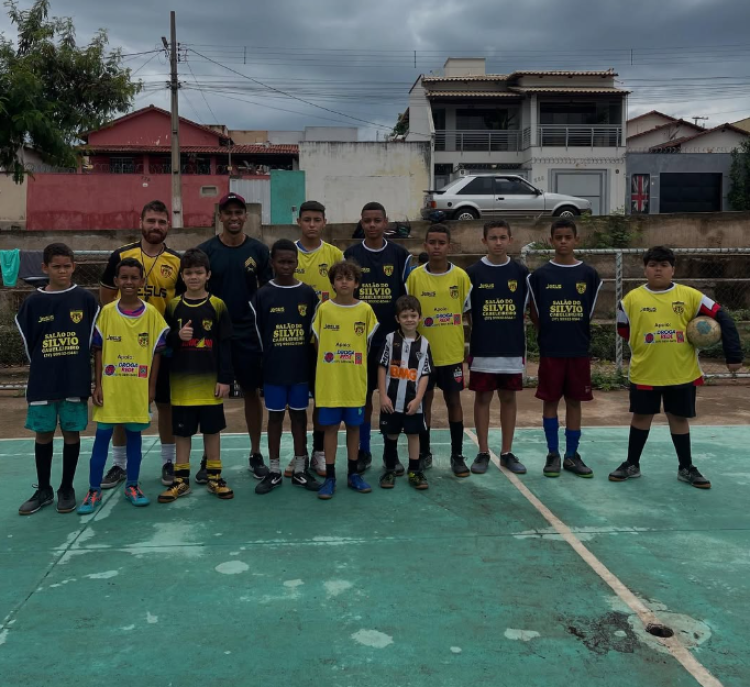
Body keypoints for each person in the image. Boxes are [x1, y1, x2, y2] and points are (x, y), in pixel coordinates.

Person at [610, 246, 743, 489]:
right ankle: (632, 463)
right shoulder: (630, 300)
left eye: (663, 265)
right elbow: (624, 330)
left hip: (681, 372)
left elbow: (722, 316)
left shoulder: (690, 296)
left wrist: (733, 353)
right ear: (645, 269)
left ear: (673, 269)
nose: (658, 269)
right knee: (641, 417)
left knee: (678, 418)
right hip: (645, 371)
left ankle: (686, 467)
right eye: (652, 265)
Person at [99, 200, 181, 489]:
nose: (156, 226)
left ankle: (169, 461)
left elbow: (181, 305)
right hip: (126, 347)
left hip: (163, 345)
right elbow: (106, 298)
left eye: (161, 221)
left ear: (167, 225)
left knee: (165, 404)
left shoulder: (176, 261)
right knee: (122, 405)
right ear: (141, 222)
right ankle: (119, 464)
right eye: (151, 221)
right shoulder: (121, 256)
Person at [78, 258, 169, 513]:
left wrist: (151, 387)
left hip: (136, 390)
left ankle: (132, 485)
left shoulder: (151, 315)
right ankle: (93, 490)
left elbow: (157, 353)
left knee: (134, 439)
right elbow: (98, 350)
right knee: (101, 439)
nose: (129, 282)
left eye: (134, 278)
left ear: (142, 282)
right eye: (124, 278)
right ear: (116, 281)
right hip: (110, 389)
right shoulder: (107, 312)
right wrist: (98, 384)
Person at [15, 243, 99, 515]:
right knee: (44, 434)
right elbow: (30, 345)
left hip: (74, 379)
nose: (62, 271)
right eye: (56, 266)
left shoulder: (86, 299)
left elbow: (91, 342)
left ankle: (66, 487)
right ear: (44, 268)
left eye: (66, 266)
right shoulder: (33, 302)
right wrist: (43, 367)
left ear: (74, 266)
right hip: (43, 381)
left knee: (71, 433)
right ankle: (43, 489)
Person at [198, 193, 273, 481]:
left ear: (245, 216)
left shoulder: (259, 251)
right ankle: (209, 458)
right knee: (211, 395)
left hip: (248, 334)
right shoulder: (206, 251)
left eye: (238, 212)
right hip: (214, 334)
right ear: (220, 216)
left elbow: (267, 293)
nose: (233, 217)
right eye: (227, 212)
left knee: (252, 393)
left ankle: (255, 453)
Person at [527, 218, 602, 479]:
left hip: (578, 349)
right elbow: (534, 311)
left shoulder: (589, 275)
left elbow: (588, 313)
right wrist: (547, 333)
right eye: (558, 237)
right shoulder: (540, 276)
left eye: (567, 237)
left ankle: (571, 455)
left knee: (574, 402)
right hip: (551, 350)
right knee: (550, 401)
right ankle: (553, 454)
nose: (562, 242)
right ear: (551, 241)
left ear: (576, 240)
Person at [158, 249, 234, 503]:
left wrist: (225, 379)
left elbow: (225, 345)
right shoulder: (173, 306)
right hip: (182, 385)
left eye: (198, 272)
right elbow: (165, 344)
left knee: (212, 431)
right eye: (189, 273)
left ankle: (214, 477)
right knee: (182, 434)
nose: (193, 277)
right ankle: (181, 481)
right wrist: (177, 338)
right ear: (182, 276)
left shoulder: (218, 305)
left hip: (211, 384)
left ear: (208, 275)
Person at [249, 239, 321, 495]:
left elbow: (315, 335)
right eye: (281, 261)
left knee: (300, 416)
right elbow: (258, 337)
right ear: (272, 263)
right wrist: (262, 366)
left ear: (297, 262)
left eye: (291, 261)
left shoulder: (308, 294)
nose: (286, 266)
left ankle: (301, 468)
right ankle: (275, 470)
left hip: (300, 370)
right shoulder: (262, 295)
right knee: (276, 417)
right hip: (274, 370)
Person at [344, 201, 411, 475]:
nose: (372, 225)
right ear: (361, 222)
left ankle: (390, 454)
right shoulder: (350, 255)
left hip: (391, 342)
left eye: (377, 220)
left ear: (386, 222)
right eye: (367, 220)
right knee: (362, 399)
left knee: (391, 399)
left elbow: (406, 301)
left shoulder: (400, 255)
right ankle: (363, 450)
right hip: (360, 341)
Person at [405, 224, 472, 477]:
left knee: (453, 401)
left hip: (452, 353)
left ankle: (457, 454)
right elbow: (407, 315)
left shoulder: (461, 278)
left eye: (441, 243)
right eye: (431, 242)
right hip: (422, 354)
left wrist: (470, 348)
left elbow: (468, 314)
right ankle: (424, 452)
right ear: (425, 245)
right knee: (424, 402)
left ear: (449, 246)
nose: (436, 247)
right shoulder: (414, 277)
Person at [466, 221, 529, 475]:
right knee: (482, 398)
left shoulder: (521, 273)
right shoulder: (472, 273)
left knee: (508, 398)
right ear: (484, 241)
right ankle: (482, 451)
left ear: (510, 239)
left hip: (511, 348)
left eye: (503, 237)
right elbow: (469, 313)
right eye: (493, 238)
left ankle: (506, 452)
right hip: (483, 348)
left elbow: (524, 310)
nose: (498, 242)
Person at [312, 260, 378, 500]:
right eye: (339, 278)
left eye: (349, 278)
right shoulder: (324, 309)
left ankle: (353, 474)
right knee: (330, 428)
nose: (344, 282)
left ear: (357, 283)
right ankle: (330, 477)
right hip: (330, 382)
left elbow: (367, 346)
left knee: (353, 428)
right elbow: (319, 345)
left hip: (354, 382)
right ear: (332, 283)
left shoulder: (366, 311)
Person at [287, 200, 344, 478]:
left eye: (316, 220)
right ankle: (299, 454)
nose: (311, 224)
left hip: (327, 342)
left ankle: (319, 453)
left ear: (324, 222)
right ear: (299, 221)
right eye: (306, 219)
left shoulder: (335, 255)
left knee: (323, 400)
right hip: (294, 341)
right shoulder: (288, 255)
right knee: (297, 402)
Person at [378, 295, 432, 490]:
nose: (409, 319)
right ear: (397, 319)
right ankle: (390, 470)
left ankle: (414, 471)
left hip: (412, 402)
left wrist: (419, 399)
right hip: (391, 401)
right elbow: (382, 367)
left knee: (413, 435)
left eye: (413, 315)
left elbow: (425, 374)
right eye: (405, 316)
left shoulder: (424, 344)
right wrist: (383, 395)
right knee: (391, 434)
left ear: (419, 317)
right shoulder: (390, 339)